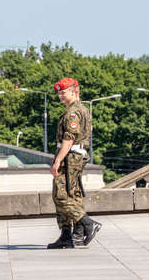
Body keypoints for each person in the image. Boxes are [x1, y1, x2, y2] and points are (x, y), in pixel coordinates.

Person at [47, 77, 102, 249]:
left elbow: (69, 139)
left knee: (61, 195)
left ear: (74, 91)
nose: (60, 96)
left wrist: (57, 160)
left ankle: (87, 223)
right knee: (71, 194)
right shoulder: (80, 109)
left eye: (64, 93)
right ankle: (68, 235)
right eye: (59, 93)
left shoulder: (73, 112)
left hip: (70, 156)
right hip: (74, 156)